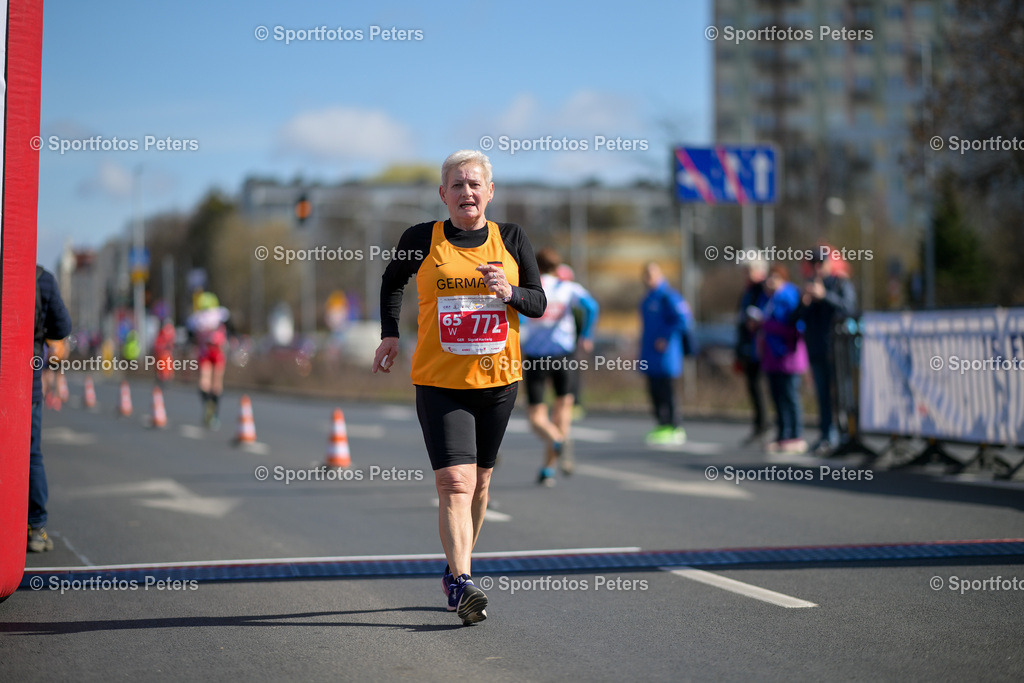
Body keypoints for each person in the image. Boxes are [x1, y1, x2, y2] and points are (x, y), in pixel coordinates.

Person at [372, 150, 545, 625]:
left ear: (490, 192)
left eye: (475, 185)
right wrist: (390, 333)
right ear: (442, 193)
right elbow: (392, 280)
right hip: (439, 382)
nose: (466, 192)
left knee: (482, 481)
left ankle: (454, 570)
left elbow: (539, 302)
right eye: (457, 184)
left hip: (497, 382)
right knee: (454, 481)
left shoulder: (510, 238)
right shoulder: (420, 239)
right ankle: (465, 582)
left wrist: (509, 293)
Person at [519, 247, 599, 486]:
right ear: (558, 266)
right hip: (564, 355)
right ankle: (550, 465)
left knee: (536, 417)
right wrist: (586, 335)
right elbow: (592, 307)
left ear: (537, 266)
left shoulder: (530, 287)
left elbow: (520, 315)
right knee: (562, 410)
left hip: (535, 356)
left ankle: (555, 443)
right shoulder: (568, 288)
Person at [29, 265, 73, 552]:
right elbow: (62, 327)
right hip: (24, 382)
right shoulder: (41, 278)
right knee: (30, 452)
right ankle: (35, 527)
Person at [799, 246, 857, 455]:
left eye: (819, 263)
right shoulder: (809, 286)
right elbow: (797, 319)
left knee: (843, 395)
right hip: (816, 349)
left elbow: (849, 308)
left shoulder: (840, 283)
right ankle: (826, 436)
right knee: (822, 396)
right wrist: (804, 303)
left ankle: (847, 436)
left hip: (839, 351)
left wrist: (825, 296)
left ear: (828, 263)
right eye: (811, 263)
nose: (816, 268)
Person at [639, 262, 696, 445]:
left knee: (667, 391)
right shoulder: (647, 299)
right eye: (646, 274)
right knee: (654, 390)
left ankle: (674, 426)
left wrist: (665, 337)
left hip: (666, 355)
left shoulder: (669, 296)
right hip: (650, 355)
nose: (648, 278)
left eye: (652, 274)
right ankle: (661, 424)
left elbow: (684, 319)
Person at [757, 265, 809, 454]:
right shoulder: (768, 298)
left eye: (775, 278)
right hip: (772, 356)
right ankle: (782, 435)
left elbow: (796, 327)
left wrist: (767, 325)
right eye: (768, 278)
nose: (770, 282)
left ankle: (795, 435)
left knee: (790, 397)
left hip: (788, 355)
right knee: (777, 397)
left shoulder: (790, 296)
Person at [735, 259, 770, 444]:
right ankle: (759, 424)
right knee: (753, 386)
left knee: (766, 387)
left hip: (762, 346)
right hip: (747, 346)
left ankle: (768, 425)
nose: (746, 274)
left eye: (749, 270)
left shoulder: (763, 290)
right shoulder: (747, 292)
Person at [187, 292, 229, 429]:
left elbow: (190, 336)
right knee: (207, 383)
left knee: (213, 384)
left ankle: (212, 411)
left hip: (214, 352)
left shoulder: (218, 316)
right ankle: (210, 408)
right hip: (209, 352)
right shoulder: (199, 319)